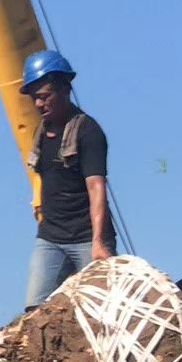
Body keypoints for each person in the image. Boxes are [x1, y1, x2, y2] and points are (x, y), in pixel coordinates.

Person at [22, 49, 115, 309]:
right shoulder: (41, 132)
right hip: (51, 237)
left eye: (44, 96)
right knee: (34, 310)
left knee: (100, 309)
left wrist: (98, 243)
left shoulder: (88, 131)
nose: (39, 104)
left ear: (64, 89)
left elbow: (96, 187)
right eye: (34, 99)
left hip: (86, 238)